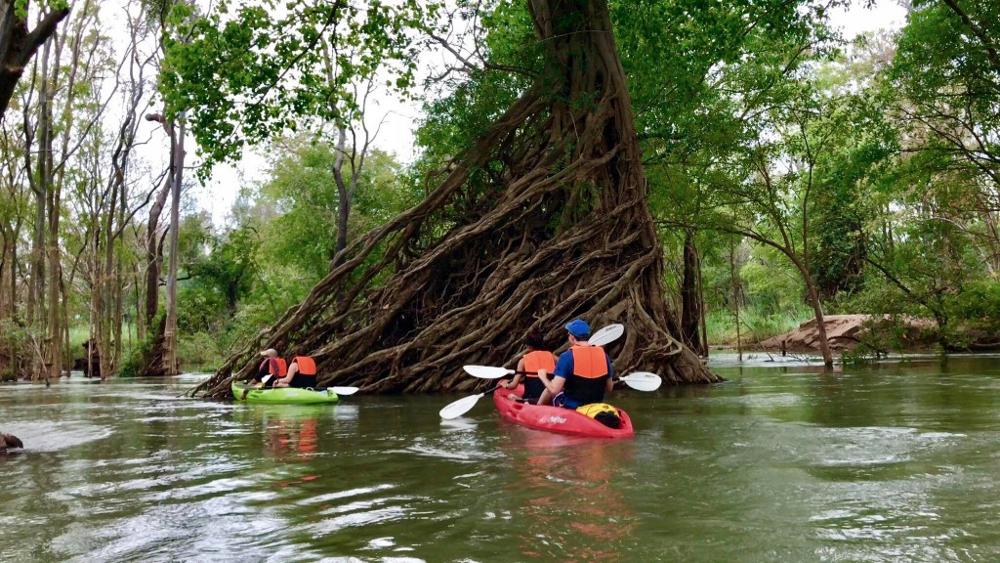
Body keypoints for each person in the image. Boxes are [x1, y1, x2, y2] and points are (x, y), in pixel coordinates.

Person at [537, 319, 614, 408]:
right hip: (595, 406)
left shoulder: (567, 356)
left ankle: (536, 410)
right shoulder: (604, 355)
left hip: (573, 408)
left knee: (549, 388)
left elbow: (554, 390)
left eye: (568, 334)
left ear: (572, 337)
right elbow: (609, 388)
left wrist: (542, 376)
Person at [502, 331, 556, 403]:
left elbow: (513, 385)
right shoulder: (553, 357)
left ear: (529, 346)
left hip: (532, 398)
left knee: (511, 396)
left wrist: (506, 385)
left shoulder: (523, 361)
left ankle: (523, 401)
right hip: (550, 397)